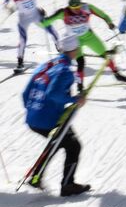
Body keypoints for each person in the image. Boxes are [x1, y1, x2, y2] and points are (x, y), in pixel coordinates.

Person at [22, 32, 89, 196]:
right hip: (48, 119)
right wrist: (74, 99)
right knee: (73, 146)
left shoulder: (47, 64)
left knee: (58, 142)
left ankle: (36, 176)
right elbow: (53, 94)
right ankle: (67, 185)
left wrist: (33, 110)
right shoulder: (65, 71)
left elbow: (25, 93)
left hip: (33, 118)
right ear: (75, 49)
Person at [41, 0, 126, 84]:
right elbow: (46, 22)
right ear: (69, 6)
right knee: (81, 63)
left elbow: (103, 15)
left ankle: (117, 74)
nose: (76, 10)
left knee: (106, 56)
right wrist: (42, 17)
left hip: (89, 37)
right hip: (75, 41)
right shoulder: (63, 12)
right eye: (74, 8)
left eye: (78, 7)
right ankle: (80, 86)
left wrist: (109, 22)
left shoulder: (87, 8)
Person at [5, 0, 58, 72]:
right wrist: (8, 8)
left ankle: (60, 49)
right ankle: (20, 63)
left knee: (52, 30)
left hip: (36, 15)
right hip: (23, 18)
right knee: (22, 40)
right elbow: (5, 0)